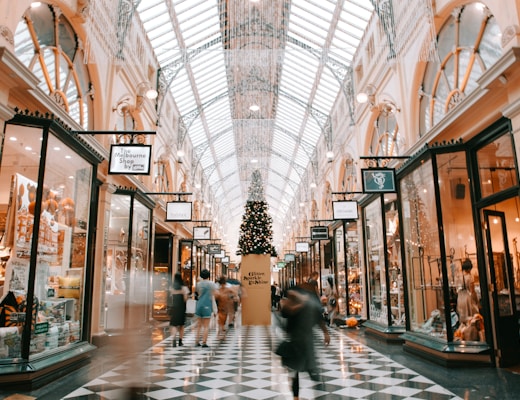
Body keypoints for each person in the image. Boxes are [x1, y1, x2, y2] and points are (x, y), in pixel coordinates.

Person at [279, 283, 330, 400]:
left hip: (304, 340)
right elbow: (285, 313)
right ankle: (296, 397)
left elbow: (318, 317)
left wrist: (326, 333)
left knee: (307, 370)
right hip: (298, 341)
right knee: (299, 371)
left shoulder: (308, 301)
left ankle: (306, 394)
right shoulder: (298, 300)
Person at [194, 269, 216, 348]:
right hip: (207, 305)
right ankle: (204, 342)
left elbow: (196, 293)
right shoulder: (212, 284)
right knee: (206, 326)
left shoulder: (198, 284)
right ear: (208, 275)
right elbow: (214, 294)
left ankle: (196, 341)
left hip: (199, 305)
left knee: (199, 325)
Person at [168, 272, 190, 347]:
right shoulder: (184, 288)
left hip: (174, 307)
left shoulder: (171, 287)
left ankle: (174, 339)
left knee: (174, 324)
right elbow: (185, 299)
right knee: (181, 325)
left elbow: (170, 298)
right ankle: (180, 341)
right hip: (182, 308)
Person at [456, 258, 479, 324]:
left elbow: (456, 289)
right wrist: (476, 301)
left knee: (462, 317)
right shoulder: (469, 277)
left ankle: (463, 331)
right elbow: (472, 290)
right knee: (470, 317)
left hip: (460, 298)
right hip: (467, 298)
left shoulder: (458, 276)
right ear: (469, 268)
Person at [214, 276, 236, 340]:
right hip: (224, 308)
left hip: (221, 308)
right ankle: (221, 335)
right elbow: (234, 293)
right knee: (221, 322)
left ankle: (221, 335)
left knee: (221, 322)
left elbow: (215, 298)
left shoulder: (219, 290)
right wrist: (231, 298)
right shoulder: (227, 289)